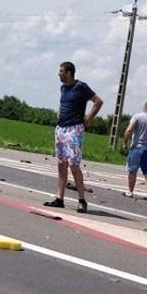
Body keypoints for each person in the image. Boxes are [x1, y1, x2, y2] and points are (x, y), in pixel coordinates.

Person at [44, 61, 103, 213]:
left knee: (74, 164)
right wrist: (59, 114)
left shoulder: (81, 87)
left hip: (74, 130)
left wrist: (88, 118)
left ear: (69, 73)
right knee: (61, 163)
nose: (59, 74)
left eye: (61, 71)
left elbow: (98, 101)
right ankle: (59, 198)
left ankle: (82, 200)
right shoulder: (63, 88)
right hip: (61, 129)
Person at [121, 101, 147, 201]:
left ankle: (130, 192)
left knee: (132, 170)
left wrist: (125, 143)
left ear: (144, 108)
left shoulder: (137, 117)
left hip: (136, 147)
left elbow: (129, 130)